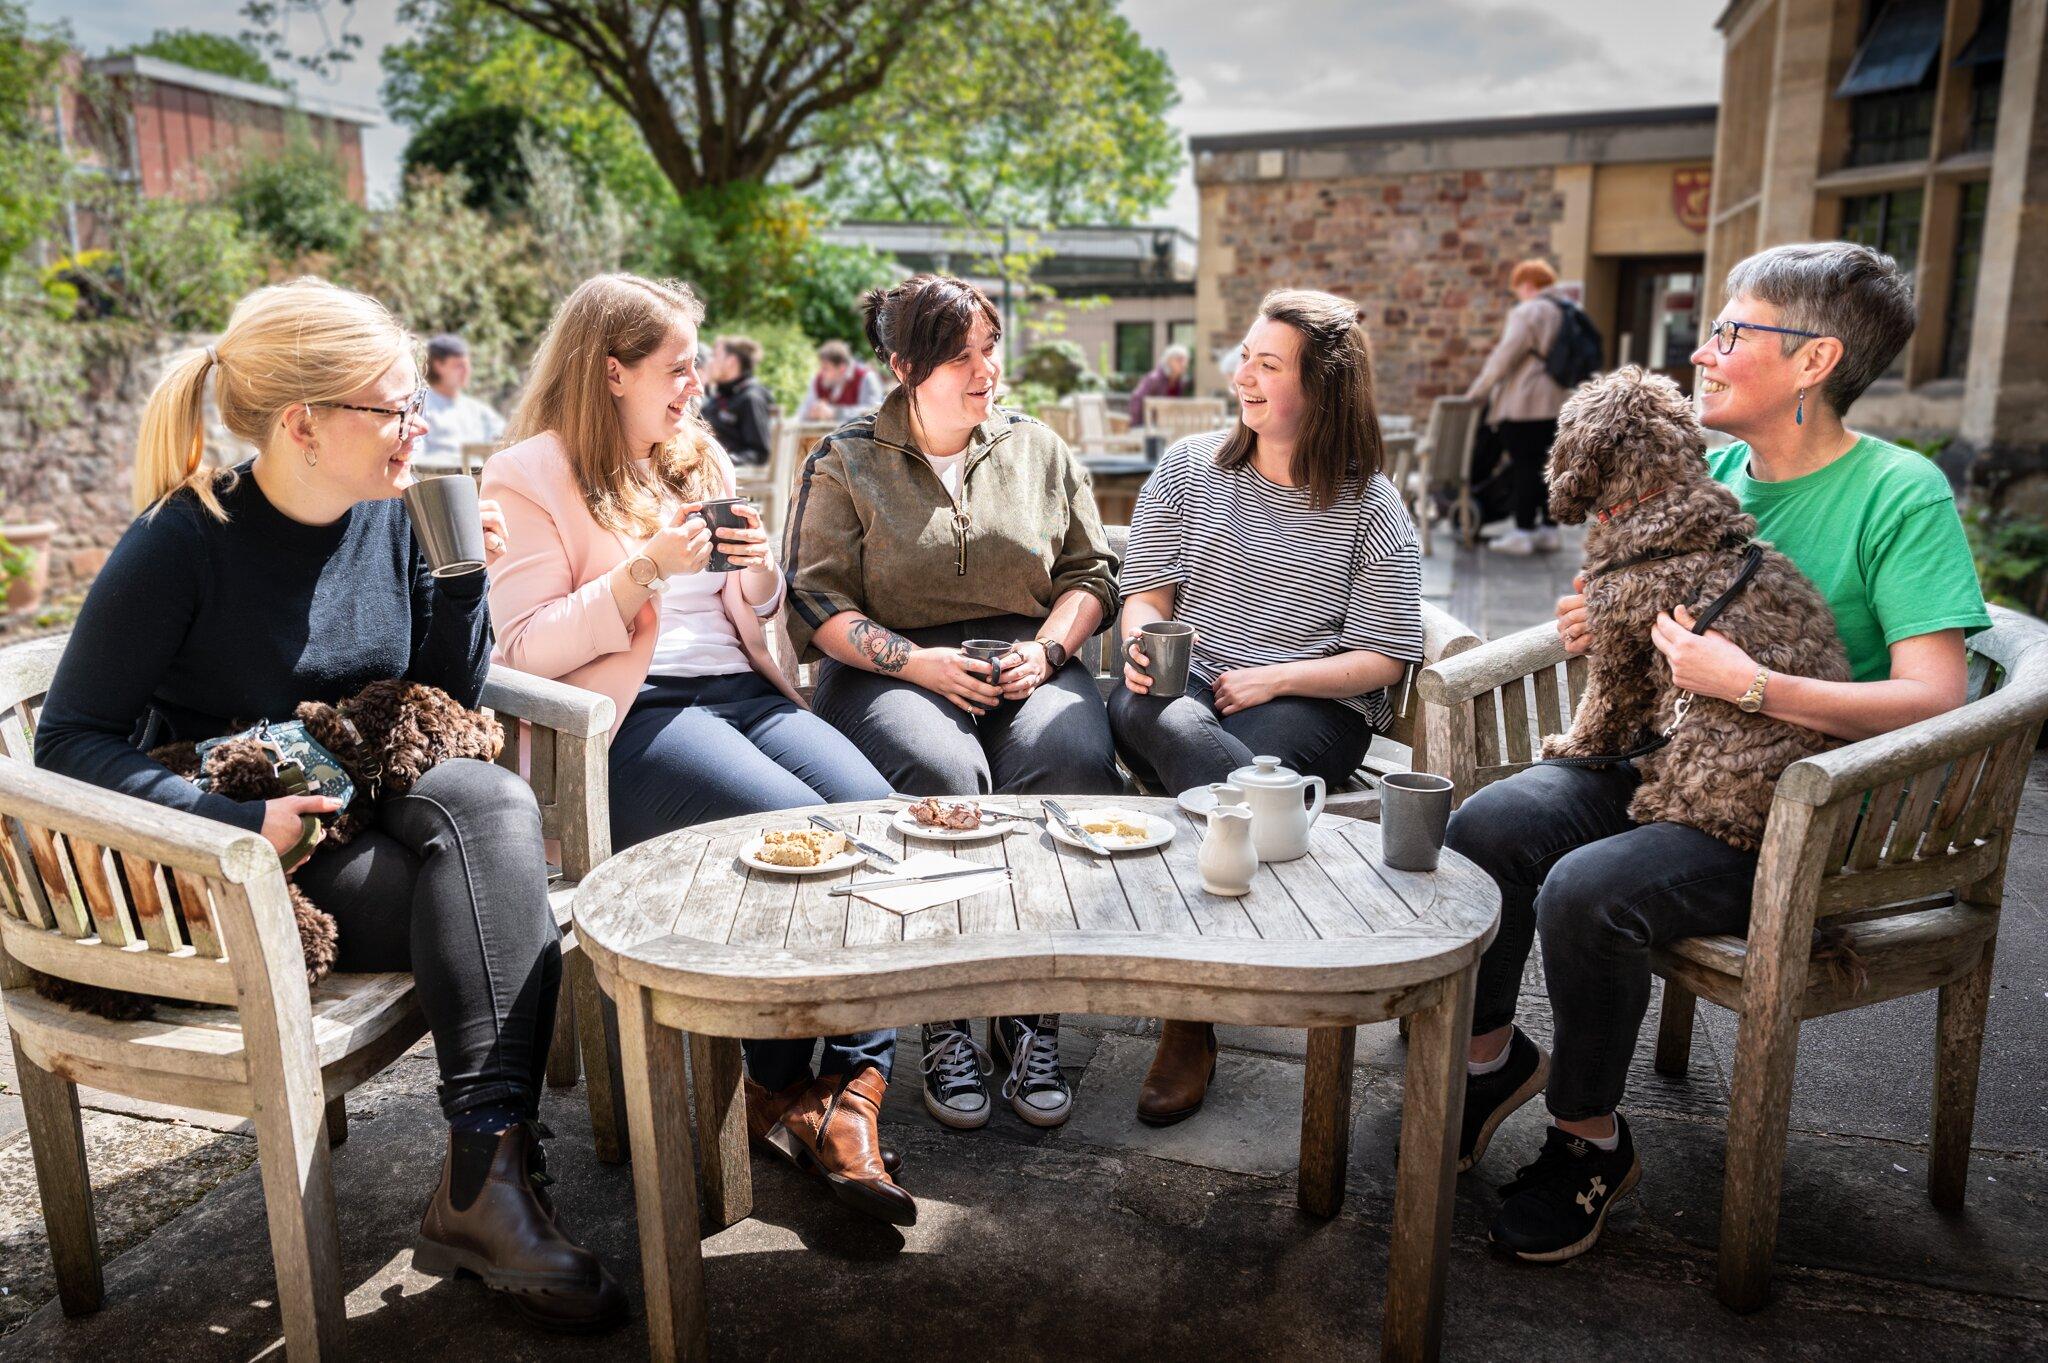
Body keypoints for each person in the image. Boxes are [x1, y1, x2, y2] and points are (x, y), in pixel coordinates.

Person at [32, 279, 625, 1331]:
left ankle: (483, 1178)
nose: (421, 425)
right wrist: (232, 826)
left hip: (369, 790)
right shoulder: (182, 540)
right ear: (304, 424)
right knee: (497, 903)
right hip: (258, 859)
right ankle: (490, 1181)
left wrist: (463, 579)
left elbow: (443, 696)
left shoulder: (390, 515)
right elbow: (68, 739)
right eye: (393, 408)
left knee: (490, 805)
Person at [1449, 241, 1989, 1264]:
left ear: (1814, 360)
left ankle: (1587, 1140)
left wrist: (1749, 682)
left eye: (1732, 331)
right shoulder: (1715, 468)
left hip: (1808, 806)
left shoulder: (1897, 492)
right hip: (1674, 760)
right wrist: (1597, 626)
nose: (1701, 352)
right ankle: (1488, 1060)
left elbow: (1933, 698)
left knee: (1584, 889)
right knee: (1488, 824)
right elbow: (1655, 620)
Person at [481, 274, 907, 1225]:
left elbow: (752, 616)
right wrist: (645, 570)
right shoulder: (526, 473)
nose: (695, 389)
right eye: (676, 370)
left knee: (883, 820)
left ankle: (845, 1084)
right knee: (799, 834)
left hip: (746, 692)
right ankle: (791, 1084)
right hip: (633, 720)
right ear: (612, 371)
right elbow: (524, 651)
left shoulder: (693, 455)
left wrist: (760, 574)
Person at [782, 272, 1123, 1136]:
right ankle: (945, 1014)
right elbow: (816, 603)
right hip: (891, 666)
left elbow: (1091, 574)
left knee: (1073, 758)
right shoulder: (845, 458)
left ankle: (1028, 1007)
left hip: (1027, 657)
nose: (986, 373)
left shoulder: (1040, 448)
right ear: (903, 366)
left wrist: (1047, 651)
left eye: (990, 351)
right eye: (960, 357)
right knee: (943, 772)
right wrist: (918, 665)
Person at [1109, 289, 1423, 1127]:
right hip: (1186, 690)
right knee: (1182, 733)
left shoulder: (1371, 506)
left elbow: (1384, 656)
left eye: (1267, 363)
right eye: (1243, 355)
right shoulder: (1189, 468)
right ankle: (1294, 929)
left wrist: (1277, 676)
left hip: (1307, 702)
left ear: (1321, 391)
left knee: (1231, 780)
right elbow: (1144, 592)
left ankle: (1190, 1017)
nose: (1242, 375)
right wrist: (1144, 643)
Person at [1464, 259, 1571, 556]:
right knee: (1548, 467)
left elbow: (1504, 357)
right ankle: (1549, 530)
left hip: (1525, 402)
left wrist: (1477, 393)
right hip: (1556, 402)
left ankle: (1523, 532)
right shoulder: (1566, 310)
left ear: (1527, 285)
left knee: (1524, 467)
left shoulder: (1529, 311)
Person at [419, 333, 507, 464]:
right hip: (436, 481)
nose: (466, 371)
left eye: (467, 365)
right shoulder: (422, 406)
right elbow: (414, 459)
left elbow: (507, 437)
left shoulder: (478, 409)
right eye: (458, 366)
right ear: (439, 366)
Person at [702, 334, 775, 467]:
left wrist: (721, 462)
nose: (710, 361)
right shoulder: (722, 394)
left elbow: (758, 453)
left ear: (731, 361)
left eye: (715, 356)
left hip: (724, 475)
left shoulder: (751, 398)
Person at [801, 338, 885, 421]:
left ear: (842, 368)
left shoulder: (866, 378)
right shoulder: (819, 380)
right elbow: (802, 414)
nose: (822, 373)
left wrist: (836, 413)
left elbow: (873, 414)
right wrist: (811, 412)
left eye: (826, 368)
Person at [1127, 344, 1190, 423]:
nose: (1183, 364)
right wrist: (1137, 425)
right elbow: (1136, 398)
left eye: (1185, 360)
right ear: (1168, 361)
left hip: (1168, 424)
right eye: (1179, 360)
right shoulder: (1154, 378)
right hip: (1149, 426)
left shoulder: (1181, 381)